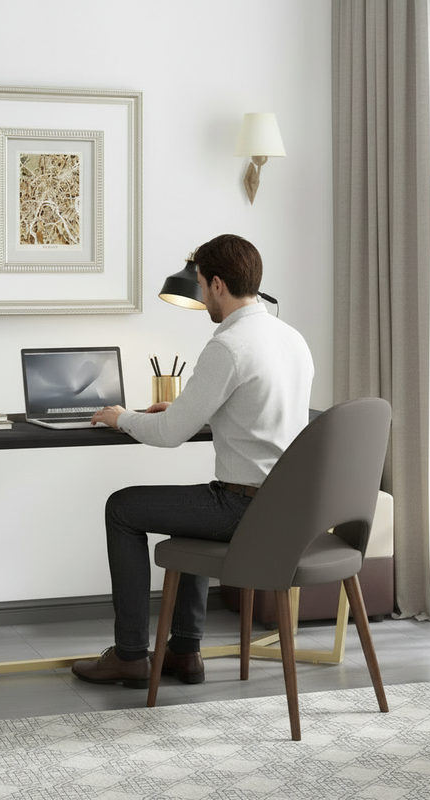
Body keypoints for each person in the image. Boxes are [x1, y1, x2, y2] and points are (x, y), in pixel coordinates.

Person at [71, 233, 314, 689]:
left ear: (218, 284)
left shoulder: (228, 346)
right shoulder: (291, 338)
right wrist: (185, 408)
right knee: (190, 508)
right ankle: (184, 652)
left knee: (121, 507)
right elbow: (257, 409)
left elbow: (168, 435)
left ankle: (128, 657)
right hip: (287, 508)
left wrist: (122, 417)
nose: (202, 298)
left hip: (243, 510)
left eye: (201, 286)